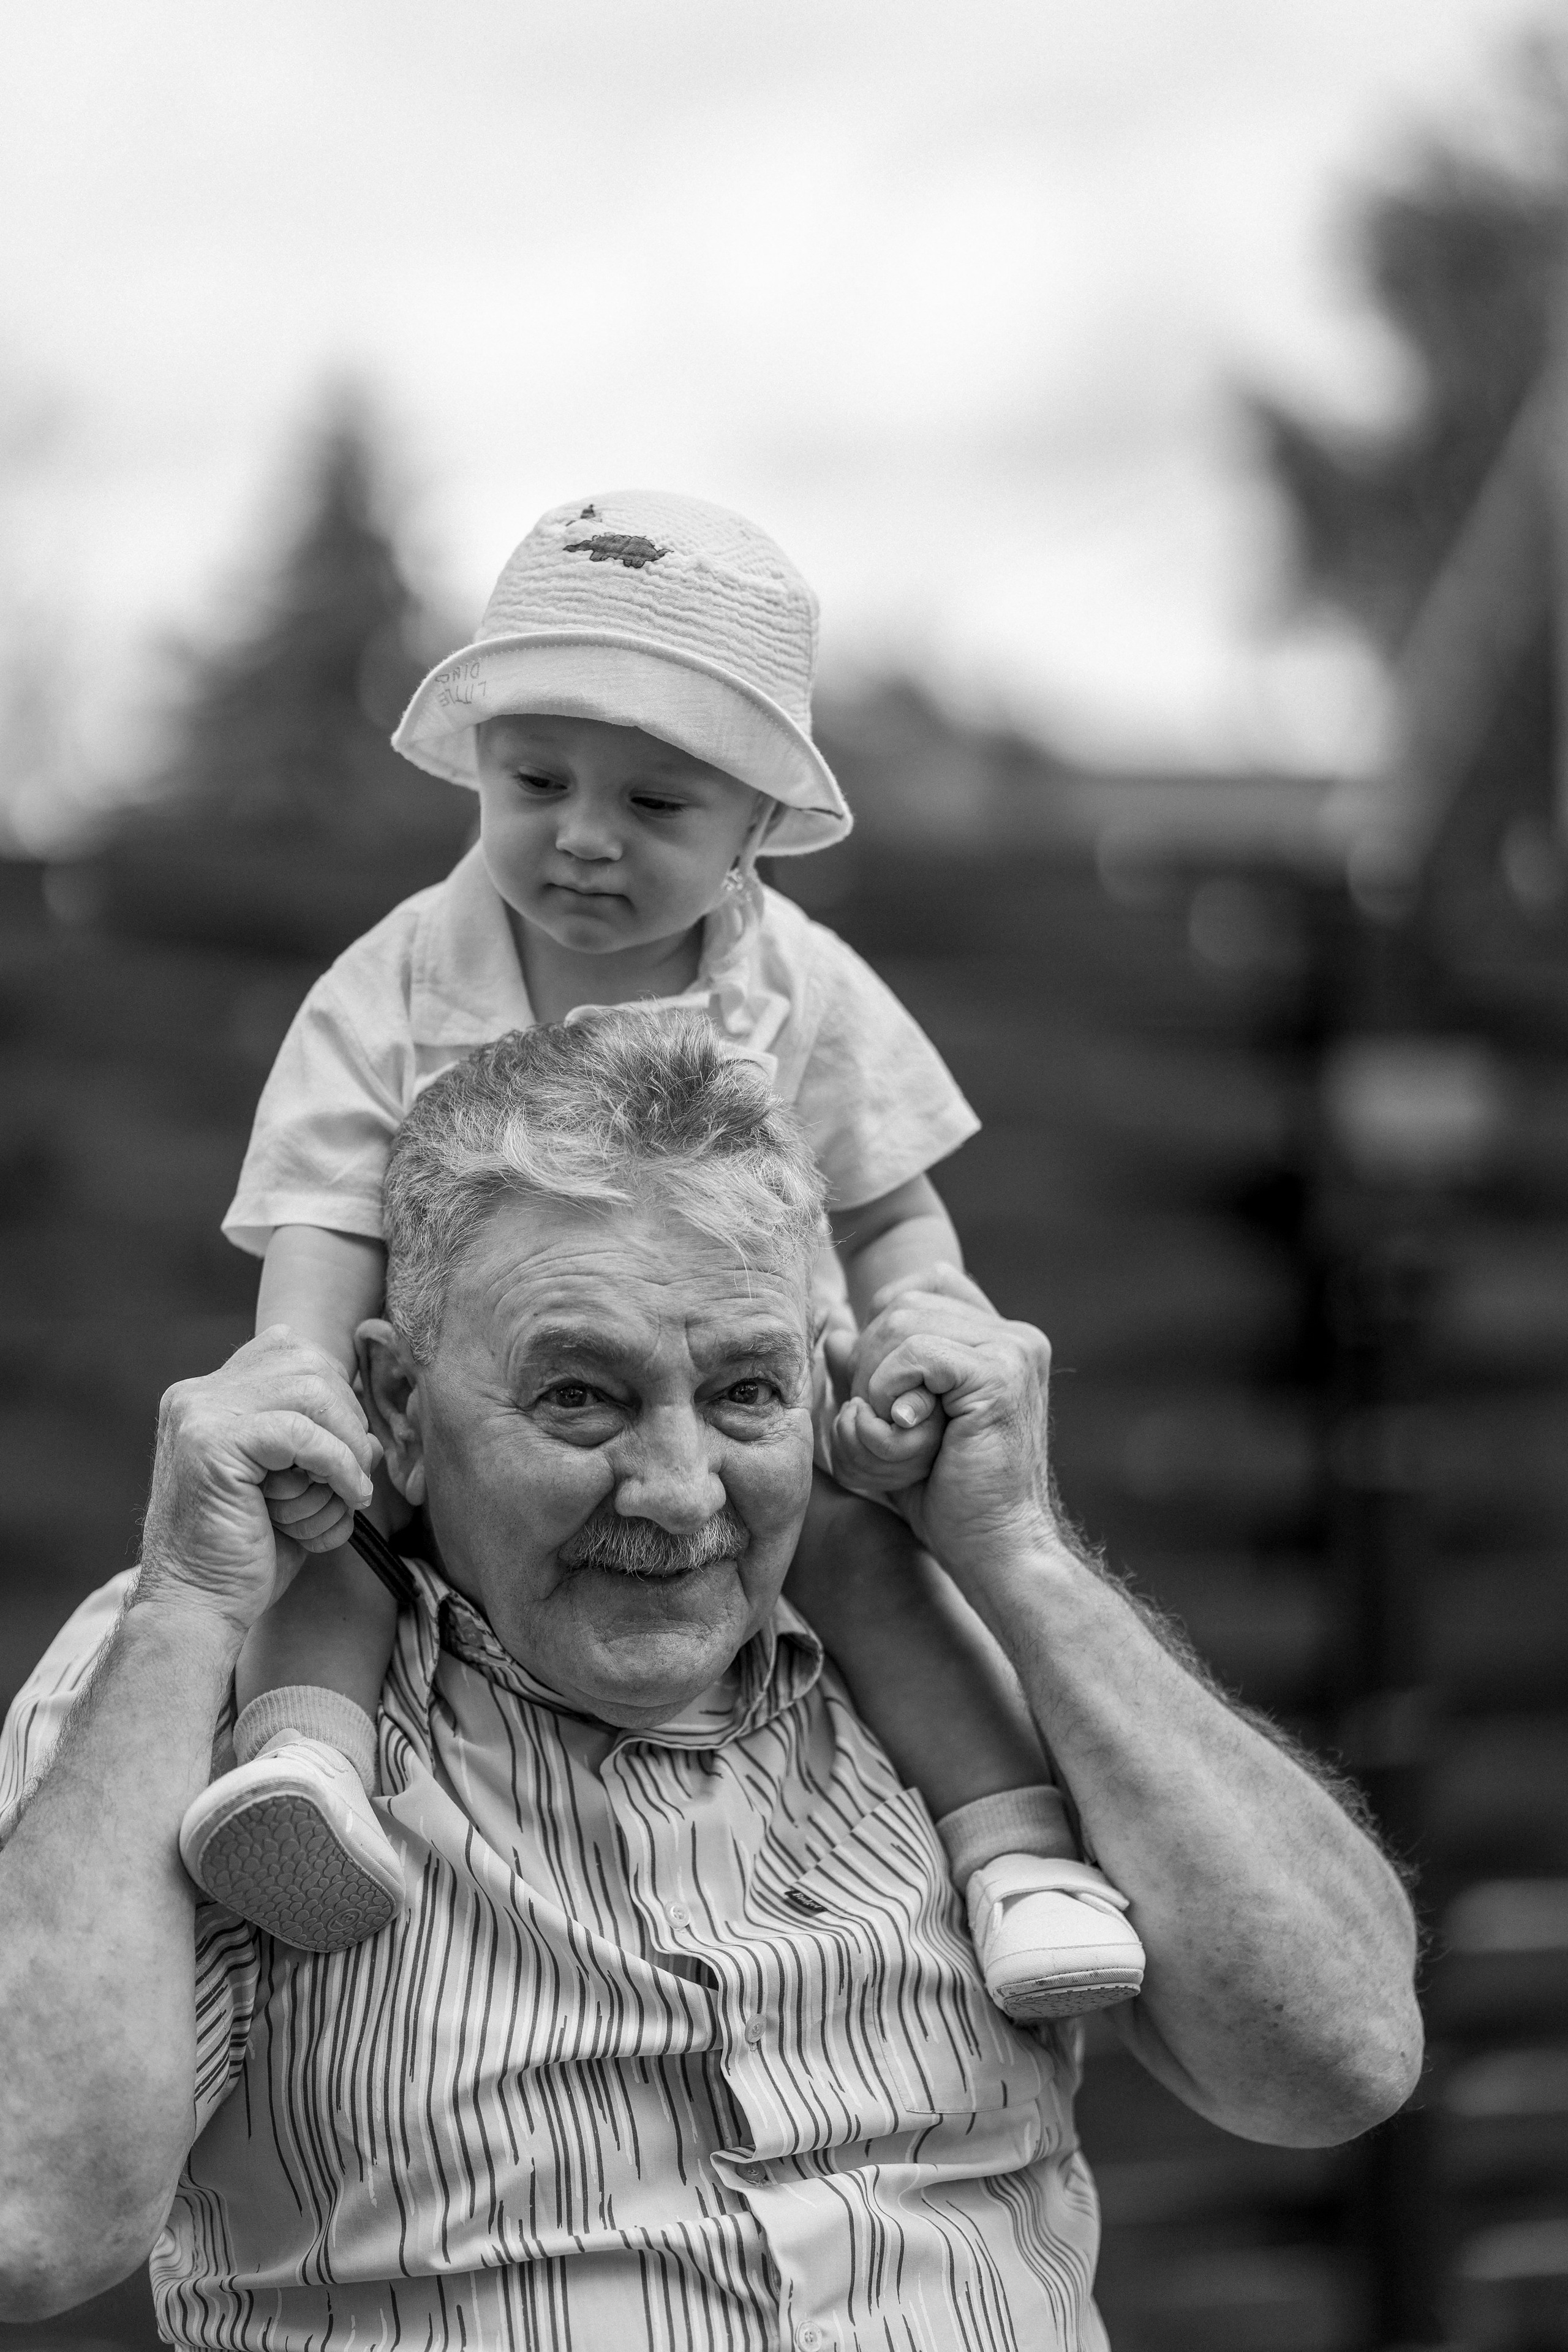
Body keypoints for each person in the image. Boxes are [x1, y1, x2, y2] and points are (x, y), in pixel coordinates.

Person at [0, 1014, 1421, 2348]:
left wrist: (1023, 1556)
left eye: (746, 1393)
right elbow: (32, 2225)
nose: (680, 1496)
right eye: (578, 1397)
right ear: (394, 1411)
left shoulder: (951, 1659)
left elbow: (1336, 2062)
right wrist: (190, 1603)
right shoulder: (196, 1668)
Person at [179, 484, 1144, 2017]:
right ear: (477, 766)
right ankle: (303, 1764)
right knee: (327, 1526)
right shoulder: (392, 984)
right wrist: (303, 1374)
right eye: (537, 778)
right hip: (468, 1417)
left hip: (745, 1420)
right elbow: (325, 1207)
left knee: (880, 1569)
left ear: (758, 827)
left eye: (654, 807)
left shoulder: (801, 992)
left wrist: (923, 1319)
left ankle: (1013, 1850)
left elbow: (887, 1205)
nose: (580, 837)